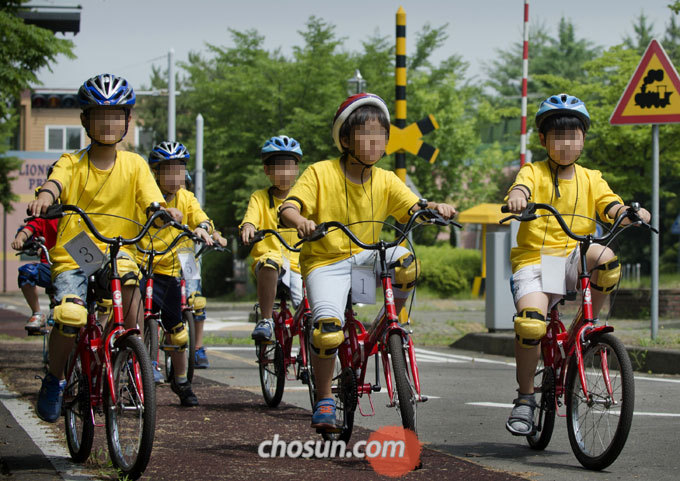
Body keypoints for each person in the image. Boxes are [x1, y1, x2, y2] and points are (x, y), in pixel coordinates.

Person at [279, 93, 457, 429]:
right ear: (345, 139)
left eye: (381, 135)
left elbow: (414, 206)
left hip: (366, 259)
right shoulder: (320, 173)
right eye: (366, 134)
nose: (375, 142)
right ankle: (324, 399)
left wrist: (434, 209)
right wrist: (300, 220)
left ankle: (392, 322)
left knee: (406, 264)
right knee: (328, 332)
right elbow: (289, 206)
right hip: (325, 262)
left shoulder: (387, 179)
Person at [26, 74, 181, 422]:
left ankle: (128, 352)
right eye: (99, 115)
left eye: (116, 115)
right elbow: (55, 182)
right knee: (70, 315)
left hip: (117, 249)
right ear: (85, 120)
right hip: (78, 247)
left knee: (130, 283)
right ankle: (55, 378)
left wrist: (163, 213)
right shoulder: (72, 161)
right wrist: (46, 197)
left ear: (127, 121)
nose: (108, 123)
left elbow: (151, 202)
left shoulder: (136, 164)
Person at [503, 93, 651, 436]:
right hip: (536, 264)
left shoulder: (591, 177)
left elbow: (608, 205)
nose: (566, 143)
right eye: (558, 135)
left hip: (573, 258)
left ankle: (589, 326)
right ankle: (525, 399)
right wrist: (518, 197)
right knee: (530, 326)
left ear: (583, 138)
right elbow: (521, 186)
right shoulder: (533, 171)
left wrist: (627, 213)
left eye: (573, 135)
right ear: (543, 139)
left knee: (607, 258)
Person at [140, 141, 215, 406]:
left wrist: (205, 228)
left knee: (191, 309)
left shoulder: (187, 197)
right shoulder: (146, 193)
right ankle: (134, 368)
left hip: (180, 261)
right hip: (144, 264)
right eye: (168, 171)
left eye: (179, 170)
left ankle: (182, 379)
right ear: (156, 173)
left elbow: (200, 216)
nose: (175, 177)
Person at [240, 136, 304, 342]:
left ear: (297, 169)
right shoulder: (259, 197)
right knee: (270, 261)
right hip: (270, 261)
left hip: (299, 264)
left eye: (289, 166)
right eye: (278, 167)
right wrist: (249, 227)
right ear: (267, 170)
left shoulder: (304, 197)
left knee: (309, 313)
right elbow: (250, 219)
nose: (284, 173)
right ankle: (266, 319)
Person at [182, 172, 228, 369]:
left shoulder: (190, 203)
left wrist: (217, 236)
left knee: (197, 301)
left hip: (187, 258)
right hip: (159, 259)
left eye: (183, 183)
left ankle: (198, 347)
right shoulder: (156, 202)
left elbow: (207, 224)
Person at [12, 210, 58, 334]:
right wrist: (20, 239)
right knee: (26, 272)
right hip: (49, 266)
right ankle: (37, 313)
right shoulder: (44, 218)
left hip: (73, 266)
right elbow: (28, 229)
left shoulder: (74, 216)